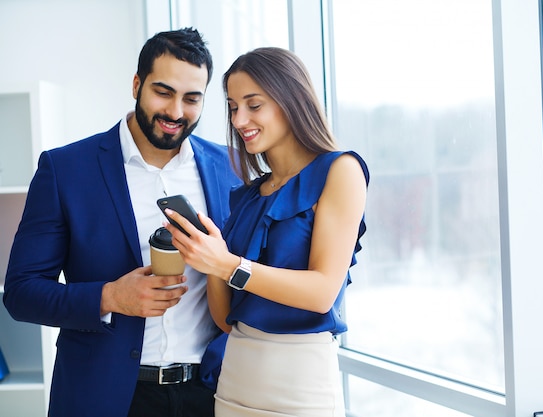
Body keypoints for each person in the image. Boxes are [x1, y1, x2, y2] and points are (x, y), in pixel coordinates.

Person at [2, 28, 240, 417]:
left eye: (192, 99)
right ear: (136, 84)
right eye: (163, 92)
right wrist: (110, 297)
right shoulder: (65, 170)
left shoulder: (231, 167)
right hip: (107, 398)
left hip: (213, 394)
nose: (176, 112)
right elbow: (21, 292)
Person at [163, 47, 369, 417]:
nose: (240, 120)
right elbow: (226, 319)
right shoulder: (246, 196)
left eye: (253, 105)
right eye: (232, 106)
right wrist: (208, 258)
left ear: (291, 100)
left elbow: (322, 292)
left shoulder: (340, 171)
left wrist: (228, 265)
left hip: (299, 389)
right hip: (235, 384)